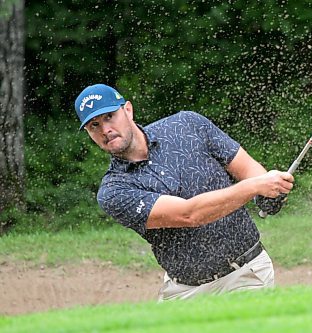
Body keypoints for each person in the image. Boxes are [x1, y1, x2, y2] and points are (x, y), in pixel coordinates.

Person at [74, 84, 294, 300]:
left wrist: (266, 191)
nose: (105, 130)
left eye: (109, 116)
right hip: (184, 291)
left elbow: (247, 169)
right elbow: (189, 215)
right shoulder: (114, 191)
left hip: (246, 273)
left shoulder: (186, 124)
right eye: (94, 125)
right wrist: (256, 186)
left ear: (128, 110)